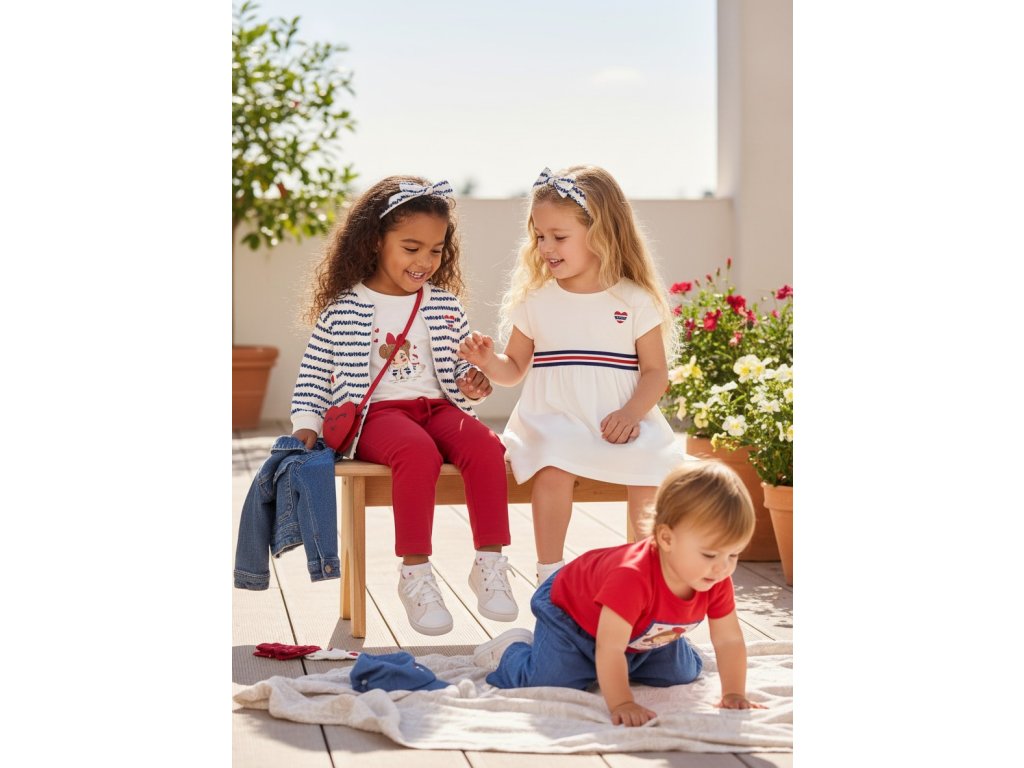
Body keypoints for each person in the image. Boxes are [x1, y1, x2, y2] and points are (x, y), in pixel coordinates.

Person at [291, 175, 518, 636]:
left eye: (435, 250)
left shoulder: (445, 306)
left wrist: (472, 382)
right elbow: (313, 374)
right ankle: (415, 573)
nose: (424, 262)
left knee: (486, 446)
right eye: (411, 248)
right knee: (417, 452)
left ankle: (490, 564)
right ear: (376, 240)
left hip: (439, 409)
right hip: (378, 416)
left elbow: (456, 371)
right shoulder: (344, 309)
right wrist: (305, 425)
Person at [459, 165, 684, 583]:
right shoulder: (536, 300)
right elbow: (514, 369)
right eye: (539, 236)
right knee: (553, 465)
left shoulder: (634, 300)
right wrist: (488, 362)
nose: (546, 247)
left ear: (601, 232)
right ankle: (550, 576)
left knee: (650, 468)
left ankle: (648, 579)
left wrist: (631, 414)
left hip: (621, 423)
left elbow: (655, 373)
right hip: (555, 420)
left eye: (559, 237)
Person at [473, 461, 767, 726]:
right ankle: (514, 650)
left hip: (637, 632)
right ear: (666, 538)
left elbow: (728, 639)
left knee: (681, 673)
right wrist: (623, 702)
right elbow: (609, 646)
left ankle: (634, 658)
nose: (723, 567)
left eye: (733, 555)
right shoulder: (632, 577)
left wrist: (733, 693)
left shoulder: (714, 577)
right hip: (572, 616)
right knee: (553, 680)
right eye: (710, 554)